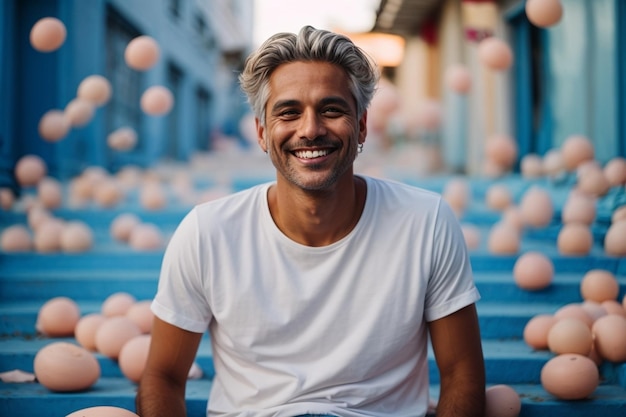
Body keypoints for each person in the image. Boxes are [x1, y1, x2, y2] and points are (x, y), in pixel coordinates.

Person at [136, 25, 485, 417]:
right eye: (289, 112)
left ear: (363, 125)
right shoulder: (208, 232)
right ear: (263, 133)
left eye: (331, 109)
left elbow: (462, 374)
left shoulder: (426, 222)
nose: (310, 129)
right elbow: (163, 377)